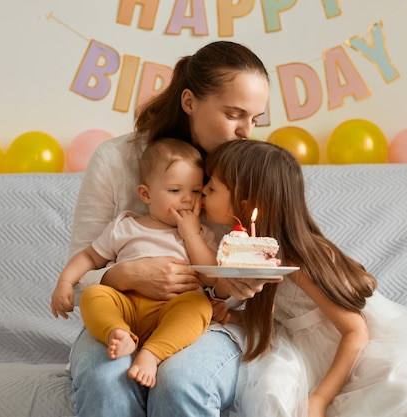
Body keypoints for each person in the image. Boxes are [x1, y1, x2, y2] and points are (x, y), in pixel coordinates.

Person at [202, 139, 407, 417]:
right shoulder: (247, 251)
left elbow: (355, 332)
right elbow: (275, 314)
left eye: (211, 188)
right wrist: (229, 316)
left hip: (346, 349)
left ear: (244, 204)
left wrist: (320, 398)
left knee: (397, 384)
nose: (202, 192)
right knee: (274, 389)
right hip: (301, 345)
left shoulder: (299, 261)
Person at [64, 40, 276, 417]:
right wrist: (124, 274)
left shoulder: (249, 169)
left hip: (204, 320)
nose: (247, 131)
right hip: (124, 313)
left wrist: (242, 286)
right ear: (190, 102)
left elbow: (248, 278)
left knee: (180, 381)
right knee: (106, 379)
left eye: (256, 119)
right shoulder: (116, 160)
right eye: (234, 114)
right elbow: (82, 277)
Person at [51, 138, 217, 389]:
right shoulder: (125, 226)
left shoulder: (199, 234)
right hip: (126, 305)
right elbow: (89, 257)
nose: (187, 199)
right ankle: (118, 333)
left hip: (172, 309)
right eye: (175, 191)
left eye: (195, 191)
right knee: (94, 295)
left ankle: (152, 353)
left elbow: (211, 276)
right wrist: (65, 281)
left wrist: (191, 235)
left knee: (199, 306)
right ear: (145, 194)